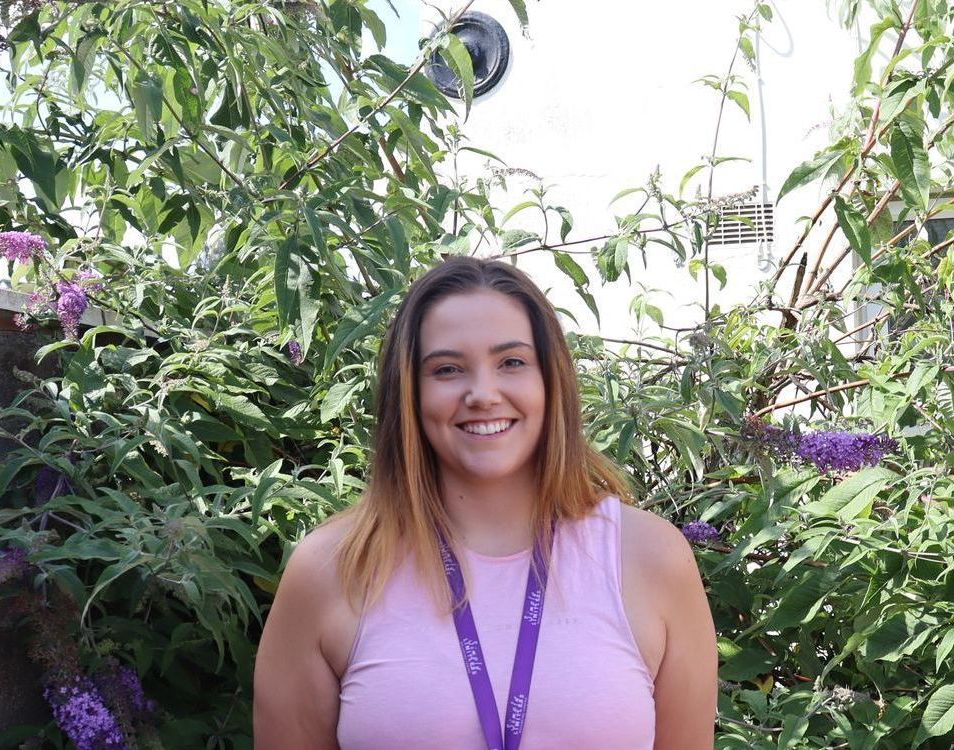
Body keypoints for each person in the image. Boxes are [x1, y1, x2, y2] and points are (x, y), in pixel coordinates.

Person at [254, 256, 716, 749]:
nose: (483, 393)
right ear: (408, 392)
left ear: (550, 381)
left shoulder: (650, 559)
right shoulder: (331, 570)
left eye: (511, 362)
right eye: (448, 369)